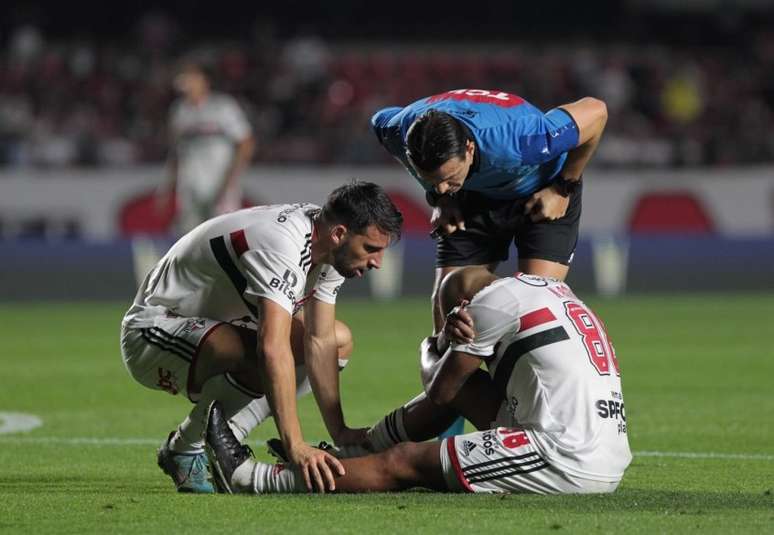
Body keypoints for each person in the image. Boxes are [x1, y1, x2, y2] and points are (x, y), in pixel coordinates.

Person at [204, 266, 632, 495]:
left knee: (406, 460)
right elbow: (461, 392)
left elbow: (439, 389)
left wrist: (436, 341)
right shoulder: (553, 291)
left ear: (463, 304)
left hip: (567, 455)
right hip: (598, 440)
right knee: (471, 388)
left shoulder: (488, 305)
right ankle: (352, 451)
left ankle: (250, 478)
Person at [120, 181, 403, 493]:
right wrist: (295, 445)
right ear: (339, 234)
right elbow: (272, 348)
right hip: (151, 331)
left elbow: (320, 340)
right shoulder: (282, 245)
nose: (377, 262)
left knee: (338, 340)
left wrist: (340, 432)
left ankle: (205, 442)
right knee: (258, 352)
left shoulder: (330, 246)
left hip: (218, 325)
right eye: (371, 249)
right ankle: (190, 448)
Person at [370, 89, 607, 333]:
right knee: (448, 319)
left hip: (543, 192)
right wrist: (441, 199)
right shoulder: (398, 132)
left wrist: (563, 187)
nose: (441, 186)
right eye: (431, 179)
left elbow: (596, 110)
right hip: (472, 196)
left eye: (448, 177)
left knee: (536, 312)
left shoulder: (525, 138)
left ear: (469, 149)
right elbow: (379, 118)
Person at [159, 61, 256, 234]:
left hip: (219, 184)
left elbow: (246, 143)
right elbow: (176, 151)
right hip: (190, 186)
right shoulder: (179, 111)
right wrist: (167, 186)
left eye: (191, 78)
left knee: (223, 235)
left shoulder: (223, 107)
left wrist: (231, 179)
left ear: (204, 80)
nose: (186, 83)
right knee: (189, 237)